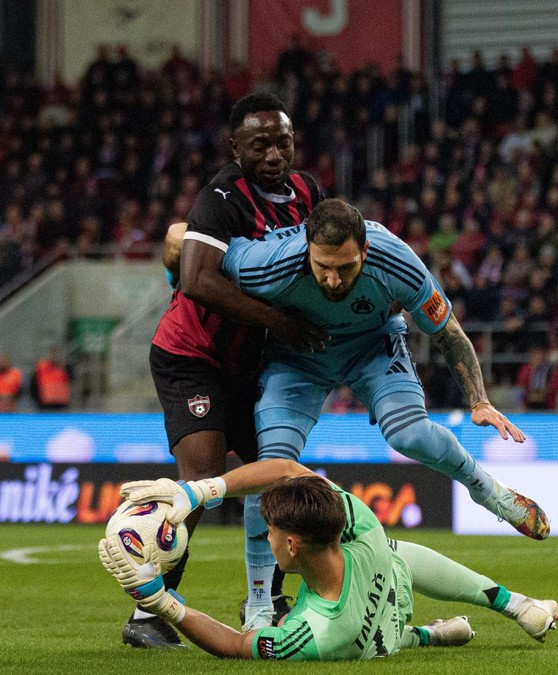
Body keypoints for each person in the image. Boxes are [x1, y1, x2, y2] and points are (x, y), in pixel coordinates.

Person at [206, 199, 549, 630]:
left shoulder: (397, 262)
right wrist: (175, 242)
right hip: (298, 356)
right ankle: (259, 606)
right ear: (306, 247)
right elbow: (203, 254)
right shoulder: (266, 264)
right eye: (322, 266)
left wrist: (478, 401)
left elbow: (450, 333)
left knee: (410, 435)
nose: (332, 280)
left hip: (373, 346)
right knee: (271, 469)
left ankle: (489, 491)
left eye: (345, 268)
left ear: (365, 251)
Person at [130, 91, 327, 648]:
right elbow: (196, 280)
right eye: (259, 144)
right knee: (200, 480)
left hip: (248, 363)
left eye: (281, 142)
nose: (272, 155)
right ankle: (151, 608)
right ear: (234, 146)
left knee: (277, 473)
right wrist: (282, 323)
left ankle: (264, 597)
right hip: (190, 355)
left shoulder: (309, 192)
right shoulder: (220, 197)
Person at [98, 459, 558, 660]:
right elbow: (290, 470)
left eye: (270, 532)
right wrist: (198, 491)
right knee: (395, 553)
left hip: (382, 638)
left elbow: (237, 646)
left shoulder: (312, 634)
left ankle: (430, 636)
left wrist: (160, 601)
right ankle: (511, 605)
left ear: (292, 545)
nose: (267, 539)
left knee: (387, 641)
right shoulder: (361, 528)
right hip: (388, 593)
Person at [517, 346, 558, 411]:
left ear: (544, 355)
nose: (536, 357)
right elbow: (521, 385)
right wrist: (533, 370)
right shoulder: (526, 369)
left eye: (538, 354)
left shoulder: (554, 370)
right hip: (530, 400)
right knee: (519, 394)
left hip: (548, 402)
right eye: (534, 354)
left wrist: (550, 389)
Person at [30, 347, 72, 411]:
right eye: (53, 354)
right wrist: (37, 401)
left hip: (61, 403)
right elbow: (33, 384)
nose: (55, 357)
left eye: (57, 354)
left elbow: (71, 378)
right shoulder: (41, 367)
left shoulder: (65, 368)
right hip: (45, 404)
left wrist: (62, 367)